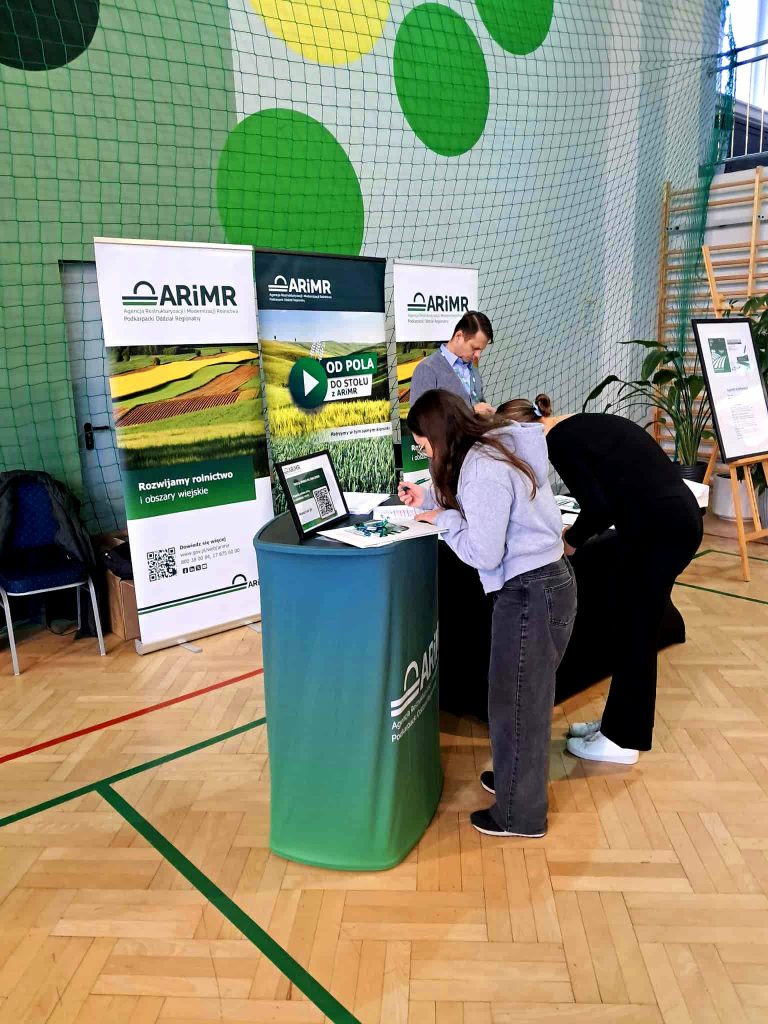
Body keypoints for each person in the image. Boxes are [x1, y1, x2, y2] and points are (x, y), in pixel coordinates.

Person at [398, 390, 576, 837]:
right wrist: (429, 501)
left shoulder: (482, 470)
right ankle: (517, 785)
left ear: (438, 437)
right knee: (519, 702)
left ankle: (520, 816)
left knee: (518, 707)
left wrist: (439, 520)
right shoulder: (494, 444)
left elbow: (483, 551)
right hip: (545, 585)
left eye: (424, 447)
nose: (425, 454)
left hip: (530, 593)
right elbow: (483, 512)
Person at [497, 394, 703, 765]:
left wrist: (571, 542)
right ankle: (618, 726)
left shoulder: (558, 441)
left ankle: (622, 742)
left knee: (636, 631)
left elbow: (598, 506)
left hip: (662, 531)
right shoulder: (575, 424)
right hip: (669, 523)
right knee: (630, 624)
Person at [409, 311, 496, 416]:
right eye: (474, 348)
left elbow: (479, 404)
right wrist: (471, 412)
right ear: (458, 336)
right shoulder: (427, 369)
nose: (478, 355)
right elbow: (419, 420)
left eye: (481, 350)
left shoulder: (473, 368)